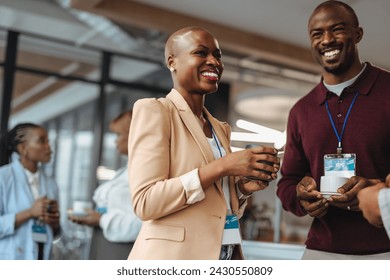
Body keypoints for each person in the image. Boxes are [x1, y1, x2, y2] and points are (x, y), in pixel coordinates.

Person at [127, 26, 280, 260]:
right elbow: (146, 203)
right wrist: (223, 166)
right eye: (201, 53)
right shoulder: (156, 111)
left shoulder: (220, 129)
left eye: (217, 55)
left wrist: (241, 190)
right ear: (172, 62)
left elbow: (217, 206)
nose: (214, 62)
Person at [277, 0, 390, 259]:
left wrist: (377, 187)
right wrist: (300, 196)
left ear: (357, 34)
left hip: (385, 248)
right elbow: (287, 183)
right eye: (317, 34)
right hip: (322, 250)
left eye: (337, 29)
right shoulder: (301, 111)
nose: (327, 39)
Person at [68, 110, 142, 259]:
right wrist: (91, 216)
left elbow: (145, 224)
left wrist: (101, 220)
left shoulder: (145, 172)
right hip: (103, 243)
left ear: (135, 135)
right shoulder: (124, 171)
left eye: (118, 135)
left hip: (125, 250)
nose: (115, 141)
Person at [0, 123, 60, 260]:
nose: (49, 147)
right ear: (23, 148)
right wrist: (30, 213)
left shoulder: (51, 183)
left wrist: (55, 222)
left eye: (48, 141)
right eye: (41, 141)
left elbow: (55, 233)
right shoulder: (3, 178)